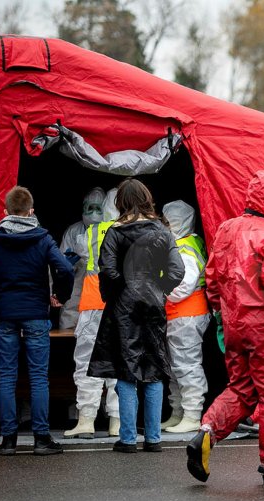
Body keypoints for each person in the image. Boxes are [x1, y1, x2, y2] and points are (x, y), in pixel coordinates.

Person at [186, 170, 264, 486]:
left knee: (242, 388)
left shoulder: (227, 229)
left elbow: (211, 278)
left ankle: (206, 432)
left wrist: (218, 320)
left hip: (233, 326)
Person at [0, 186, 74, 456]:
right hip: (36, 314)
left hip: (5, 313)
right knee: (39, 376)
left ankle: (8, 441)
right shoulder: (43, 240)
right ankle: (41, 439)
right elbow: (64, 268)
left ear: (5, 212)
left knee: (7, 375)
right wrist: (59, 295)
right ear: (32, 212)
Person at [87, 178, 184, 453]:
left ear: (121, 203)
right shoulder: (163, 233)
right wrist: (158, 291)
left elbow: (107, 271)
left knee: (127, 372)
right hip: (153, 308)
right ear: (146, 199)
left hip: (123, 309)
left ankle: (128, 438)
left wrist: (116, 295)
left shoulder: (115, 233)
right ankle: (153, 439)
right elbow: (177, 272)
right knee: (153, 371)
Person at [64, 189, 120, 438]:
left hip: (93, 304)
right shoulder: (133, 233)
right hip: (121, 307)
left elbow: (73, 254)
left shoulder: (90, 234)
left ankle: (86, 420)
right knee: (119, 365)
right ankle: (117, 422)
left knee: (87, 364)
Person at [161, 200, 210, 433]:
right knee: (175, 367)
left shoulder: (184, 248)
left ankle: (191, 415)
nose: (165, 225)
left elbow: (182, 287)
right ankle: (178, 412)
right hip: (181, 315)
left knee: (187, 366)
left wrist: (157, 291)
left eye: (168, 221)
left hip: (187, 314)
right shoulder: (188, 243)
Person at [58, 187, 106, 330]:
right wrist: (68, 264)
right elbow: (61, 261)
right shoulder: (74, 231)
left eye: (98, 208)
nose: (94, 213)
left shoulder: (109, 229)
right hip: (77, 281)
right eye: (90, 208)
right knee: (70, 315)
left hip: (99, 285)